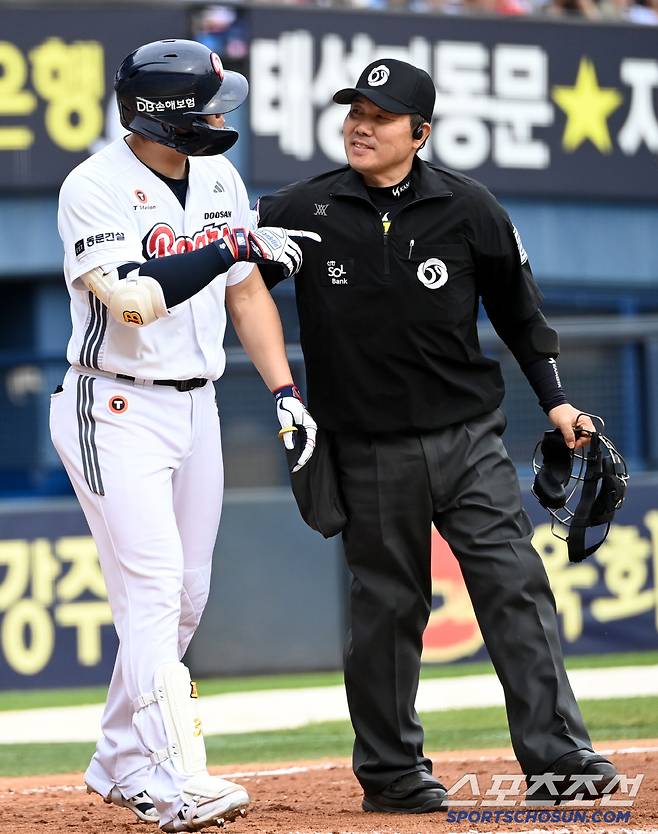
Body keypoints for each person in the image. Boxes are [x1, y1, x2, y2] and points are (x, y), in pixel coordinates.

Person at [254, 59, 618, 813]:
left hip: (468, 439)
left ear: (419, 133)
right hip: (366, 446)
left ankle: (558, 758)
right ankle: (392, 775)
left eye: (380, 116)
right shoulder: (300, 209)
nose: (361, 126)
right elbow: (239, 283)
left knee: (514, 585)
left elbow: (520, 314)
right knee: (388, 608)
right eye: (354, 111)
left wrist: (556, 403)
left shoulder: (470, 207)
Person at [51, 39, 318, 833]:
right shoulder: (94, 185)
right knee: (154, 587)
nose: (217, 115)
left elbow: (247, 294)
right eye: (204, 104)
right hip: (115, 406)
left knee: (186, 597)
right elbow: (132, 302)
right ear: (162, 116)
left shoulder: (220, 179)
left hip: (196, 405)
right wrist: (225, 245)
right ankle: (177, 779)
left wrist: (285, 391)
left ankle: (119, 758)